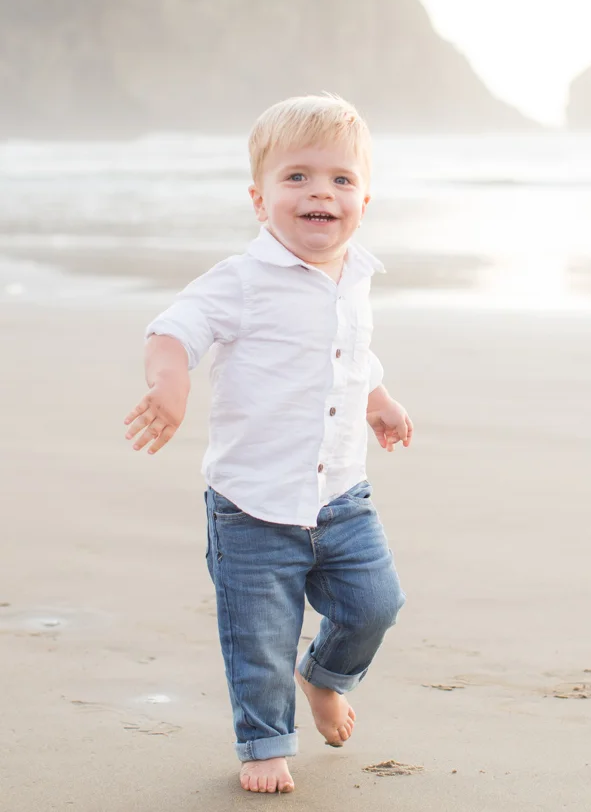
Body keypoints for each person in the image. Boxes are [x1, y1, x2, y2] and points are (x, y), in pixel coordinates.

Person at [123, 94, 413, 794]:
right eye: (297, 177)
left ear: (364, 200)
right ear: (260, 200)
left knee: (376, 604)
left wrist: (378, 401)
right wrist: (170, 383)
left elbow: (349, 354)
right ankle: (263, 745)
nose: (321, 192)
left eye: (341, 179)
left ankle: (325, 674)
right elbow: (174, 329)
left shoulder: (356, 276)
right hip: (251, 506)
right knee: (258, 636)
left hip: (341, 497)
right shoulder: (241, 280)